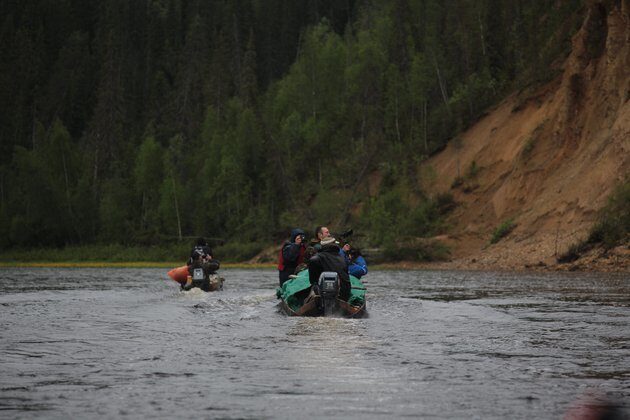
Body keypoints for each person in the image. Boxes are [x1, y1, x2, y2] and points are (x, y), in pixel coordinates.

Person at [308, 236, 350, 301]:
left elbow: (313, 281)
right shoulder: (342, 257)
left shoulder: (317, 258)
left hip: (324, 296)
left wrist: (314, 283)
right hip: (344, 295)